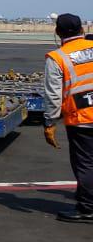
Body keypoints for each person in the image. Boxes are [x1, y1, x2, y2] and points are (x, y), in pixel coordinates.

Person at [42, 13, 93, 224]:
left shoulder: (58, 57)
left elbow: (53, 95)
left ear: (57, 32)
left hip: (82, 118)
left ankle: (88, 208)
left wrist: (49, 123)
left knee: (86, 164)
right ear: (82, 30)